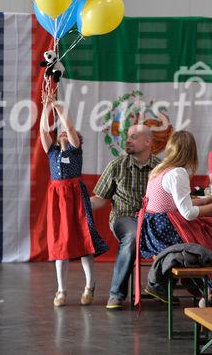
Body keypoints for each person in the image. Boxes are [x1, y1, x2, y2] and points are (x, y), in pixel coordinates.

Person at [136, 130, 212, 306]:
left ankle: (210, 290)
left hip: (152, 230)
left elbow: (178, 202)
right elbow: (187, 213)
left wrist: (207, 200)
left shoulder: (160, 169)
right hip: (165, 230)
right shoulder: (177, 173)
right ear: (190, 152)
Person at [40, 90, 108, 307]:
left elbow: (69, 127)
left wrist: (59, 109)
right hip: (57, 199)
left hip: (75, 197)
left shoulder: (75, 150)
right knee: (60, 244)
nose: (62, 133)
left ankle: (90, 285)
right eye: (59, 132)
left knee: (84, 241)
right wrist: (46, 108)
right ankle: (61, 290)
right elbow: (43, 130)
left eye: (66, 134)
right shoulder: (51, 152)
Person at [90, 124, 160, 310]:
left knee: (178, 234)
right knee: (133, 236)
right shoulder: (116, 166)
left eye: (134, 137)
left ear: (147, 141)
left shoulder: (160, 169)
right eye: (127, 136)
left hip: (152, 220)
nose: (127, 140)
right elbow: (99, 199)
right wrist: (78, 205)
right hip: (123, 218)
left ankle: (158, 287)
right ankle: (116, 294)